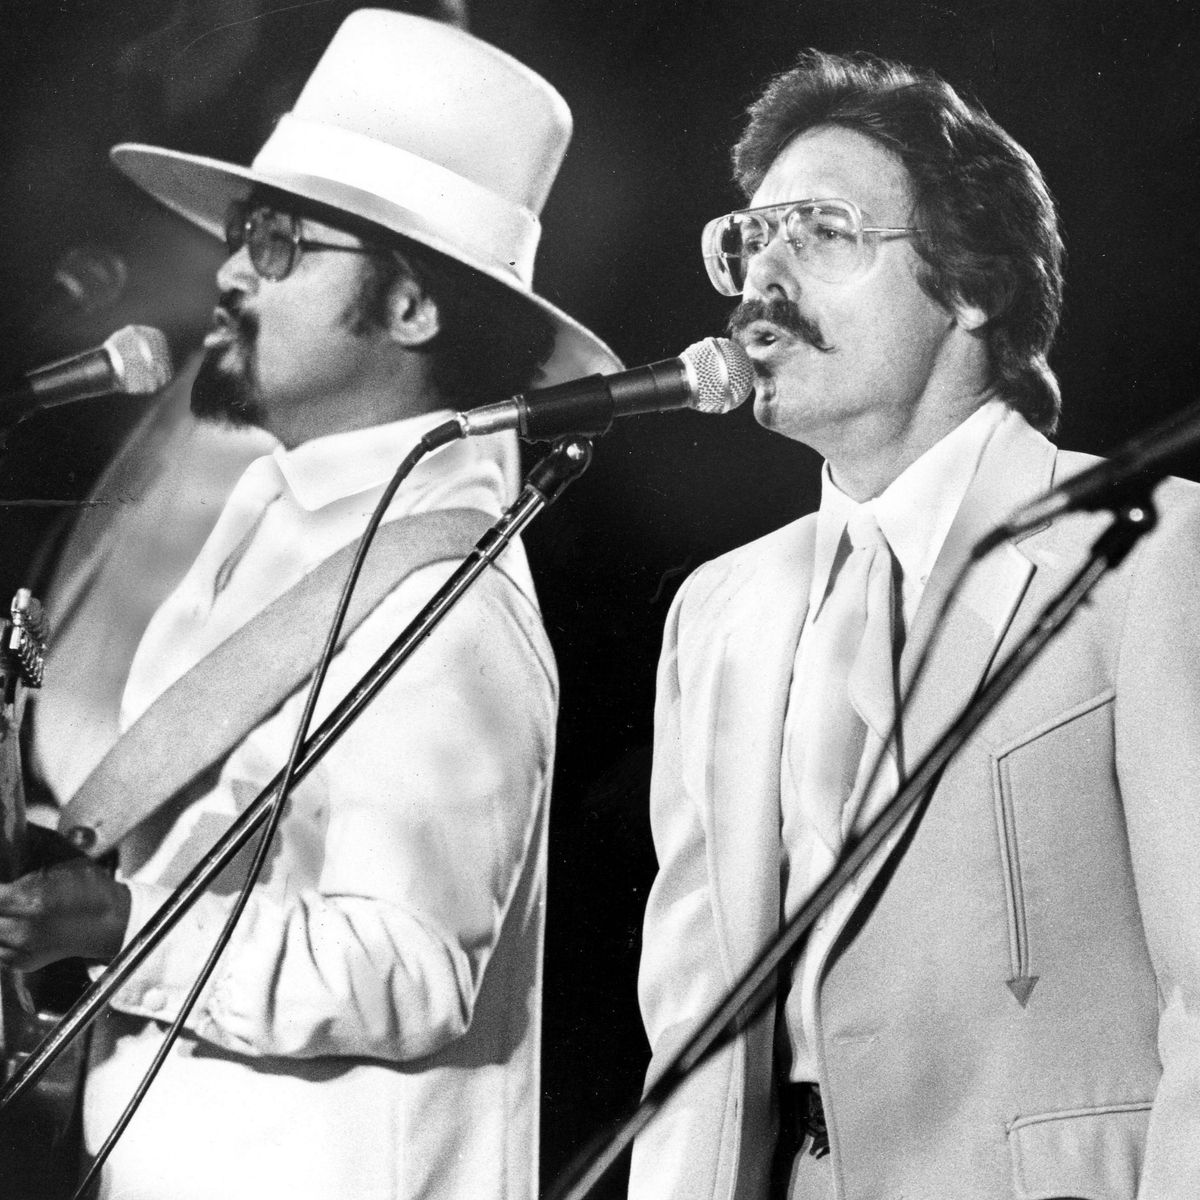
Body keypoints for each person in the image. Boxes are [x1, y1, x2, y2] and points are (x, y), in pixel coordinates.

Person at [0, 10, 620, 1200]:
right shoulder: (286, 518)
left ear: (413, 310)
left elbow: (411, 967)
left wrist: (119, 924)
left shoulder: (444, 597)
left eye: (279, 243)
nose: (230, 272)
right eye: (243, 234)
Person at [629, 49, 1200, 1200]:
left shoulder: (1155, 547)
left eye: (819, 231)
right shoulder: (719, 612)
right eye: (748, 240)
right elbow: (692, 1037)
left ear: (973, 285)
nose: (761, 278)